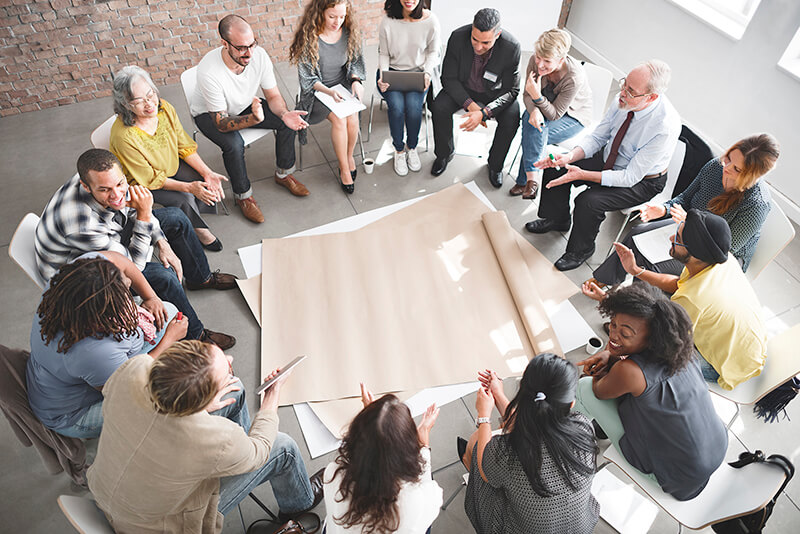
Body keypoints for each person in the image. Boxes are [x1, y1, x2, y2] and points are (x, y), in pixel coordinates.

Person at [88, 340, 324, 532]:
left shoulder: (135, 367)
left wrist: (198, 405)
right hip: (162, 526)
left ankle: (236, 457)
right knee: (283, 447)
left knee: (236, 388)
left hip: (109, 493)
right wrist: (273, 393)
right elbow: (260, 450)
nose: (231, 360)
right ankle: (299, 503)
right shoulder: (213, 439)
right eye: (224, 368)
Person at [35, 149, 237, 349]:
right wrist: (144, 216)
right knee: (163, 275)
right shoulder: (82, 226)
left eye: (121, 184)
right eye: (105, 190)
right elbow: (133, 267)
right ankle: (195, 337)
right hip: (81, 276)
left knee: (175, 217)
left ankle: (200, 278)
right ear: (86, 187)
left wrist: (162, 243)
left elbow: (134, 208)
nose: (116, 194)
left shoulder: (101, 174)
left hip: (107, 236)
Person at [583, 209, 768, 390]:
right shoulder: (718, 260)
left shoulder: (693, 299)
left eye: (678, 239)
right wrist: (635, 270)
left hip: (727, 366)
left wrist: (608, 303)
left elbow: (652, 338)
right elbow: (678, 283)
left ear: (695, 253)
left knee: (638, 360)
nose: (671, 238)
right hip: (746, 344)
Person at [575, 284, 728, 501]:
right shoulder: (681, 349)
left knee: (584, 388)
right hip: (714, 449)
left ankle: (565, 435)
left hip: (676, 478)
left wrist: (603, 366)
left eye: (625, 333)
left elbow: (599, 391)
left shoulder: (630, 372)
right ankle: (598, 428)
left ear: (652, 338)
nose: (613, 335)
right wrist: (611, 356)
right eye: (613, 324)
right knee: (631, 390)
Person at [525, 60, 681, 272]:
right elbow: (599, 137)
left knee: (589, 201)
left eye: (631, 90)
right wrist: (570, 157)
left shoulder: (665, 126)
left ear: (651, 97)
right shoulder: (624, 99)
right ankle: (557, 218)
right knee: (557, 165)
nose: (622, 92)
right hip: (611, 156)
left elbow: (630, 176)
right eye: (624, 83)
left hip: (643, 181)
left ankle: (581, 250)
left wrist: (582, 174)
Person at [27, 252, 187, 438]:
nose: (129, 283)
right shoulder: (91, 352)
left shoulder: (76, 279)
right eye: (123, 298)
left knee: (167, 312)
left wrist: (151, 297)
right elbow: (128, 386)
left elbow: (121, 262)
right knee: (160, 402)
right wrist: (168, 340)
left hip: (67, 374)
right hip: (74, 413)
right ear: (99, 317)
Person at [589, 133, 780, 286]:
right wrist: (663, 209)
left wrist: (686, 223)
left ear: (753, 176)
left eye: (737, 169)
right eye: (729, 158)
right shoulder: (716, 167)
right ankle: (605, 279)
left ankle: (636, 317)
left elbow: (724, 250)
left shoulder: (756, 204)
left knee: (651, 264)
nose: (727, 168)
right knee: (637, 234)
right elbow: (685, 198)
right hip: (687, 227)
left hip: (715, 257)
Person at [191, 14, 311, 224]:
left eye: (252, 44)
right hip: (210, 115)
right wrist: (253, 119)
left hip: (244, 103)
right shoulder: (208, 71)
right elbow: (221, 122)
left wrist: (283, 114)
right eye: (241, 48)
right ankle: (243, 196)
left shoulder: (259, 56)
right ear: (224, 44)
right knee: (234, 145)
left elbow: (273, 96)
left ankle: (283, 174)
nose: (249, 53)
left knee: (287, 120)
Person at [463, 354, 599, 533]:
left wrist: (483, 416)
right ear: (571, 403)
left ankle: (466, 461)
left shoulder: (506, 453)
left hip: (521, 529)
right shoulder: (583, 427)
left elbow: (485, 470)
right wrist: (497, 394)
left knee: (476, 443)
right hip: (579, 526)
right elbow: (530, 421)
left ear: (521, 389)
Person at [110, 66, 227, 252]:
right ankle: (201, 231)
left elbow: (183, 145)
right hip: (142, 182)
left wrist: (207, 172)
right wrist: (188, 187)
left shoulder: (164, 109)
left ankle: (193, 216)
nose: (149, 104)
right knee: (183, 197)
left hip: (170, 164)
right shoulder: (124, 136)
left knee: (201, 178)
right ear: (125, 104)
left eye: (151, 95)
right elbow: (148, 177)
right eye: (139, 101)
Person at [323, 383, 442, 533]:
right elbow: (434, 495)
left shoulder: (333, 474)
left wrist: (374, 424)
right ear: (407, 449)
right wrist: (423, 445)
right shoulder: (413, 500)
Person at [430, 8, 520, 188]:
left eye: (485, 42)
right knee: (438, 107)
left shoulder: (512, 47)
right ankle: (444, 154)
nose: (478, 47)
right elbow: (448, 78)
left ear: (498, 35)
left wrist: (485, 113)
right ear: (471, 29)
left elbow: (512, 90)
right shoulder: (457, 37)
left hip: (493, 94)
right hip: (463, 89)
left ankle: (495, 165)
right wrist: (471, 107)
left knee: (512, 117)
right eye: (474, 39)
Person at [290, 0, 365, 194]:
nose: (337, 21)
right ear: (321, 12)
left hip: (342, 87)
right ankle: (344, 168)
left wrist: (356, 80)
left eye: (342, 16)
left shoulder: (349, 33)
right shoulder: (309, 37)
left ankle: (348, 157)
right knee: (340, 120)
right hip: (318, 93)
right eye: (332, 16)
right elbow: (308, 79)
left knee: (353, 116)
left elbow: (355, 62)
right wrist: (330, 92)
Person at [511, 29, 591, 200]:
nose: (539, 65)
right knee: (530, 122)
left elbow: (555, 114)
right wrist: (533, 110)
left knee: (534, 132)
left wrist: (537, 96)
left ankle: (527, 180)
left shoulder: (573, 77)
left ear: (561, 59)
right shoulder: (535, 60)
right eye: (538, 57)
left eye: (547, 61)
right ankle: (531, 181)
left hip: (573, 116)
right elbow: (527, 95)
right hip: (546, 107)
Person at [377, 0, 441, 176]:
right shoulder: (388, 21)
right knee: (397, 109)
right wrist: (383, 76)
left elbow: (433, 52)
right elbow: (383, 53)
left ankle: (411, 147)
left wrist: (427, 73)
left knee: (413, 109)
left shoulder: (431, 21)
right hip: (391, 73)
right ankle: (399, 150)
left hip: (418, 74)